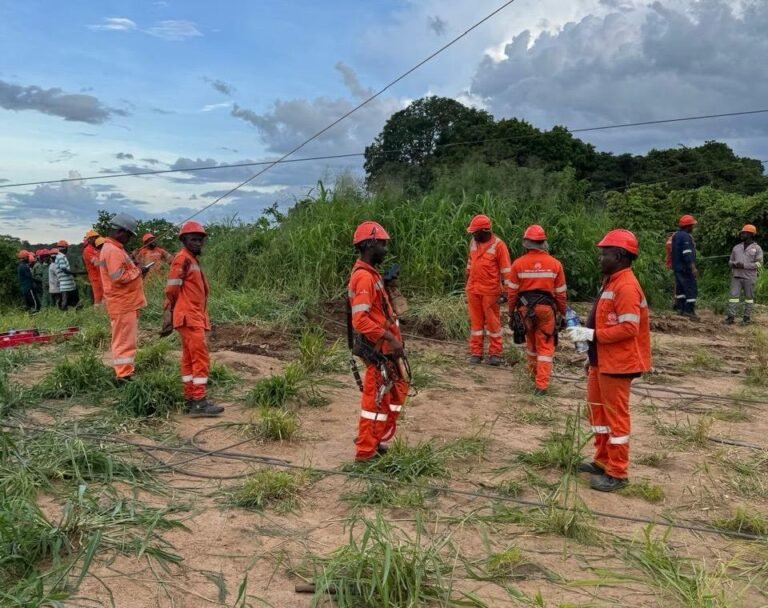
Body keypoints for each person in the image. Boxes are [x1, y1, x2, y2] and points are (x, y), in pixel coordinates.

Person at [566, 229, 652, 493]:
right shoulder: (611, 282)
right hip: (602, 361)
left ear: (620, 256)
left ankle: (618, 472)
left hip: (618, 363)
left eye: (605, 254)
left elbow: (628, 328)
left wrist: (590, 335)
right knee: (598, 413)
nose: (600, 258)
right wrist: (591, 355)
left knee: (615, 418)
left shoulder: (625, 286)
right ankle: (602, 460)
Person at [348, 221, 410, 461]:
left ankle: (376, 438)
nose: (385, 249)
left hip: (386, 350)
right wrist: (389, 338)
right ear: (370, 245)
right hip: (378, 350)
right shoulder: (364, 278)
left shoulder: (372, 276)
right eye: (382, 245)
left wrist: (388, 285)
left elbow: (378, 311)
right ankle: (365, 452)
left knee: (393, 396)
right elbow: (360, 321)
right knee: (374, 404)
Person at [161, 221, 224, 417]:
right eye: (193, 239)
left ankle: (190, 399)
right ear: (184, 240)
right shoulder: (183, 259)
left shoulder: (190, 260)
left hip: (191, 316)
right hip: (189, 316)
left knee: (189, 359)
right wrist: (169, 310)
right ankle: (199, 402)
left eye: (200, 240)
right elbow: (171, 289)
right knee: (200, 358)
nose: (198, 243)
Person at [507, 225, 567, 396]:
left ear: (526, 244)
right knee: (545, 347)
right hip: (546, 310)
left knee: (531, 345)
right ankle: (541, 386)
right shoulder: (555, 264)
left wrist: (511, 313)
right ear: (543, 243)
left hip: (525, 309)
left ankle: (533, 378)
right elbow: (561, 294)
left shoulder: (518, 264)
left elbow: (512, 293)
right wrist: (562, 313)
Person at [99, 213, 148, 382]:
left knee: (125, 339)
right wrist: (139, 271)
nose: (129, 239)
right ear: (121, 231)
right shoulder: (113, 250)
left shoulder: (114, 249)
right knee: (124, 341)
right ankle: (124, 375)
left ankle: (124, 371)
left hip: (125, 302)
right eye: (129, 235)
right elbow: (118, 277)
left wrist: (134, 268)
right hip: (123, 303)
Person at [465, 214, 513, 366]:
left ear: (485, 231)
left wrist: (507, 292)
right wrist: (468, 281)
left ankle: (495, 354)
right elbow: (470, 263)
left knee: (493, 324)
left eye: (475, 232)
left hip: (490, 291)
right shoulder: (473, 242)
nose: (473, 235)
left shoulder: (499, 245)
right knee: (476, 324)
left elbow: (506, 270)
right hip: (473, 289)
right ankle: (476, 353)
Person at [724, 224, 764, 325]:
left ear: (750, 234)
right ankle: (730, 318)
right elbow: (730, 261)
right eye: (742, 233)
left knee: (749, 298)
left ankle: (746, 319)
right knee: (733, 297)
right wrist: (734, 264)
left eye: (744, 233)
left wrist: (744, 265)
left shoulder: (757, 248)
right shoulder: (736, 247)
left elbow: (759, 264)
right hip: (736, 276)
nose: (741, 234)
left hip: (749, 277)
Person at [670, 215, 698, 319]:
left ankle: (680, 309)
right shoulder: (685, 236)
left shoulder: (676, 235)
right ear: (688, 226)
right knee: (691, 288)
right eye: (692, 225)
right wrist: (693, 267)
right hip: (685, 268)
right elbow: (687, 253)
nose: (693, 227)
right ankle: (689, 311)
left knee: (680, 288)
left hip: (677, 267)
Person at [53, 240, 80, 310]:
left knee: (73, 301)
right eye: (67, 248)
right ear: (64, 248)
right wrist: (74, 273)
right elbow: (64, 269)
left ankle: (73, 311)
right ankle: (63, 313)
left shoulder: (61, 256)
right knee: (65, 302)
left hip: (68, 283)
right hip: (65, 284)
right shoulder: (60, 257)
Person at [82, 229, 104, 305]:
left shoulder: (96, 248)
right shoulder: (87, 250)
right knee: (98, 298)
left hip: (101, 277)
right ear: (90, 239)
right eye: (95, 237)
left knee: (104, 297)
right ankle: (97, 312)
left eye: (97, 237)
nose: (96, 239)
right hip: (95, 278)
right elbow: (97, 263)